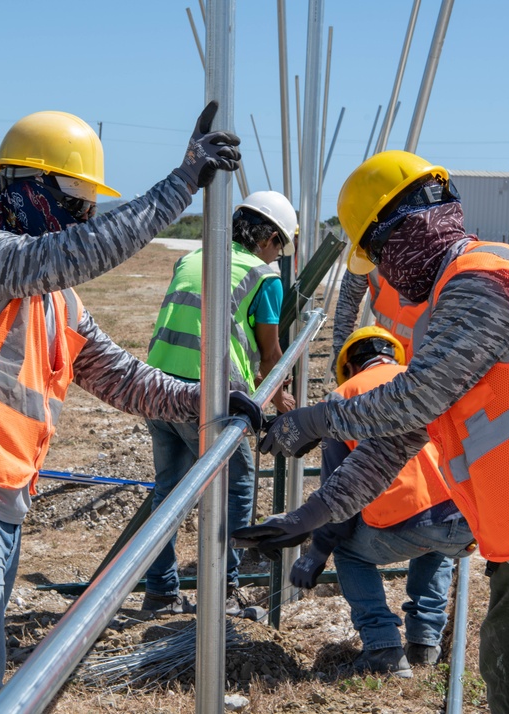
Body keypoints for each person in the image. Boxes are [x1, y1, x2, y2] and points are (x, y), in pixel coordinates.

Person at [235, 150, 509, 713]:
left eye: (381, 255)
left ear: (406, 226)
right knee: (506, 681)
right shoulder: (440, 308)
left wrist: (317, 418)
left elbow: (416, 397)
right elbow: (398, 436)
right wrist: (315, 515)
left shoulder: (484, 278)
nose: (384, 273)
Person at [0, 102, 261, 713]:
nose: (85, 216)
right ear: (29, 187)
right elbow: (83, 251)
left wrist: (206, 401)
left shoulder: (55, 300)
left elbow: (123, 379)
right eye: (76, 200)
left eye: (90, 205)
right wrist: (180, 183)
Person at [142, 190, 298, 618]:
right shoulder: (265, 277)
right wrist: (281, 397)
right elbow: (270, 354)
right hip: (209, 396)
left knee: (169, 492)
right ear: (266, 237)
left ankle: (159, 592)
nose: (278, 255)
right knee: (236, 489)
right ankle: (223, 593)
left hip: (156, 387)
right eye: (279, 244)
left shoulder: (194, 257)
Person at [288, 326, 475, 678]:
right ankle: (424, 643)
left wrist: (317, 552)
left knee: (349, 552)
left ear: (348, 367)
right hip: (463, 521)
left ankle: (383, 648)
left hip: (400, 528)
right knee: (434, 541)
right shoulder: (426, 381)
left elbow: (338, 499)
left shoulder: (342, 399)